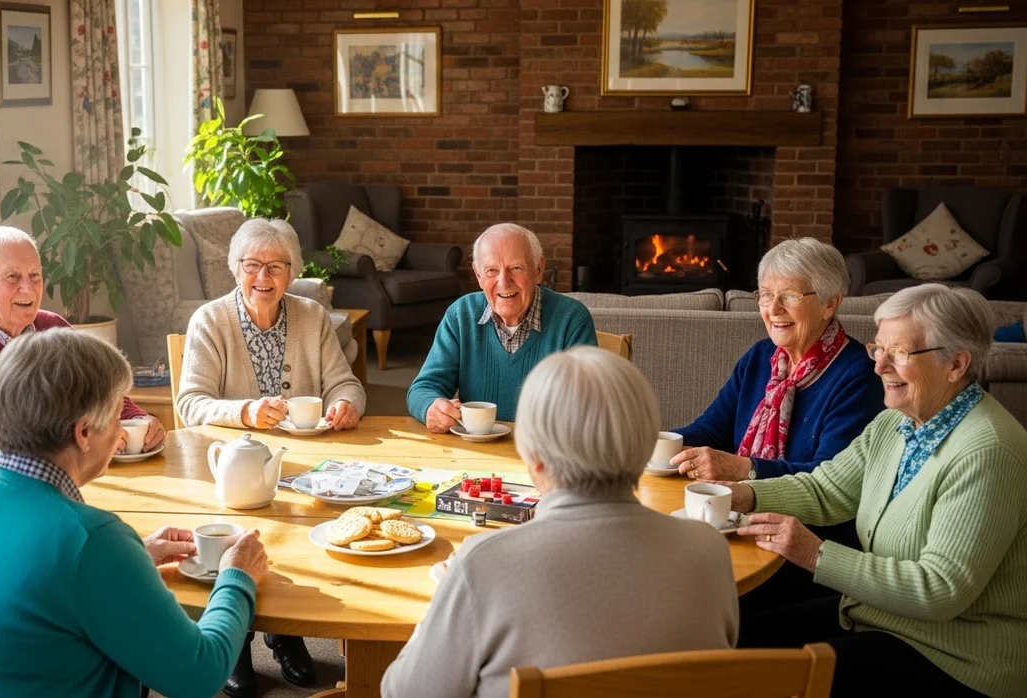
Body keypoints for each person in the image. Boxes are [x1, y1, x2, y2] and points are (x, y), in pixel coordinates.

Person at [0, 329, 269, 697]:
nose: (119, 434)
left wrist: (132, 558)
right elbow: (200, 676)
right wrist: (237, 576)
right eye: (116, 418)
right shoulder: (92, 540)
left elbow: (36, 585)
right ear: (83, 433)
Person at [382, 346, 738, 698]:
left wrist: (444, 600)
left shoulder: (481, 565)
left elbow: (403, 691)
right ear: (647, 446)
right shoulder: (708, 549)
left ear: (534, 457)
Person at [726, 284, 1027, 698]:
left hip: (958, 655)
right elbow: (827, 489)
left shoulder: (987, 451)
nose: (878, 366)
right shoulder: (897, 423)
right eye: (877, 348)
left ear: (956, 364)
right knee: (733, 633)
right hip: (880, 616)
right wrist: (742, 494)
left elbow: (940, 590)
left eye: (899, 353)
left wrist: (816, 554)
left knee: (764, 678)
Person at [177, 218, 364, 696]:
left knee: (300, 531)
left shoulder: (311, 316)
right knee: (236, 532)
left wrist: (346, 404)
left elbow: (345, 382)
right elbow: (190, 402)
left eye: (276, 266)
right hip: (229, 466)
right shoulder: (210, 320)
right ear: (234, 268)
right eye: (252, 265)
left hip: (302, 463)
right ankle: (235, 640)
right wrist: (246, 412)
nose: (263, 277)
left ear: (292, 271)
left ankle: (286, 634)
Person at [0, 226, 164, 489]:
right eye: (13, 277)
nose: (29, 290)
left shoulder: (53, 328)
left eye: (35, 276)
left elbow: (102, 393)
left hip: (48, 488)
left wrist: (138, 421)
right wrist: (69, 448)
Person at [671, 238, 883, 482]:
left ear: (830, 303)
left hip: (801, 519)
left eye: (790, 296)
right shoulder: (760, 356)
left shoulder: (860, 376)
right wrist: (650, 442)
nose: (773, 309)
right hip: (736, 503)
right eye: (767, 295)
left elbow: (830, 482)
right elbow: (712, 430)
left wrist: (745, 469)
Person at [407, 223, 597, 430]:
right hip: (476, 452)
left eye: (516, 268)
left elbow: (589, 406)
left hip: (547, 453)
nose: (504, 281)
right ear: (478, 276)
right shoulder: (461, 315)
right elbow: (423, 388)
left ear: (539, 270)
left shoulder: (572, 319)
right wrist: (431, 408)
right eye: (491, 271)